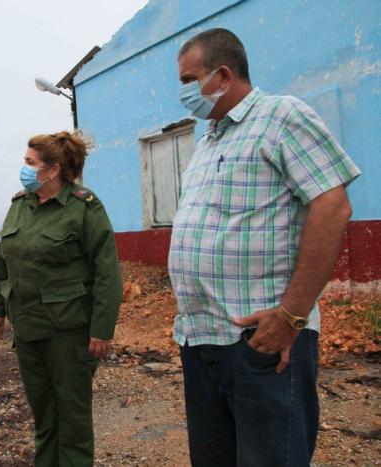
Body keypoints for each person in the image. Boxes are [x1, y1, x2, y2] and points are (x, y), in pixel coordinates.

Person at [169, 28, 361, 466]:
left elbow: (332, 207)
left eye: (187, 80)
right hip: (202, 341)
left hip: (260, 342)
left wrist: (291, 315)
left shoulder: (281, 117)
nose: (182, 92)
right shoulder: (208, 141)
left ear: (221, 75)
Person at [0, 130, 122, 467]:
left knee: (73, 420)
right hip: (29, 330)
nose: (25, 168)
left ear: (53, 169)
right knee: (45, 418)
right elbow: (3, 259)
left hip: (69, 332)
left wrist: (102, 329)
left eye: (30, 163)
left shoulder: (83, 207)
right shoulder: (20, 204)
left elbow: (107, 272)